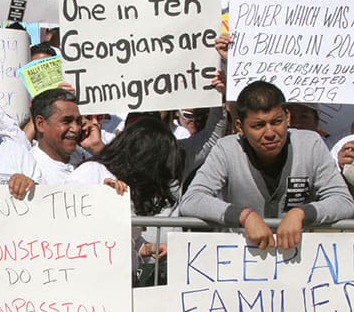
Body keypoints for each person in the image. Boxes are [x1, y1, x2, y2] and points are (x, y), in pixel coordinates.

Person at [180, 80, 354, 250]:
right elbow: (192, 199)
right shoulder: (227, 149)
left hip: (299, 260)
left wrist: (302, 213)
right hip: (242, 258)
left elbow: (342, 201)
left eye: (276, 122)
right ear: (240, 127)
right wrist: (244, 216)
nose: (270, 133)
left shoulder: (310, 143)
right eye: (258, 125)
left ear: (287, 117)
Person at [66, 116, 183, 274]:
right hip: (90, 282)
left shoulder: (126, 184)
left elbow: (123, 239)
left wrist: (146, 248)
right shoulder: (92, 172)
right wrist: (100, 198)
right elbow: (67, 225)